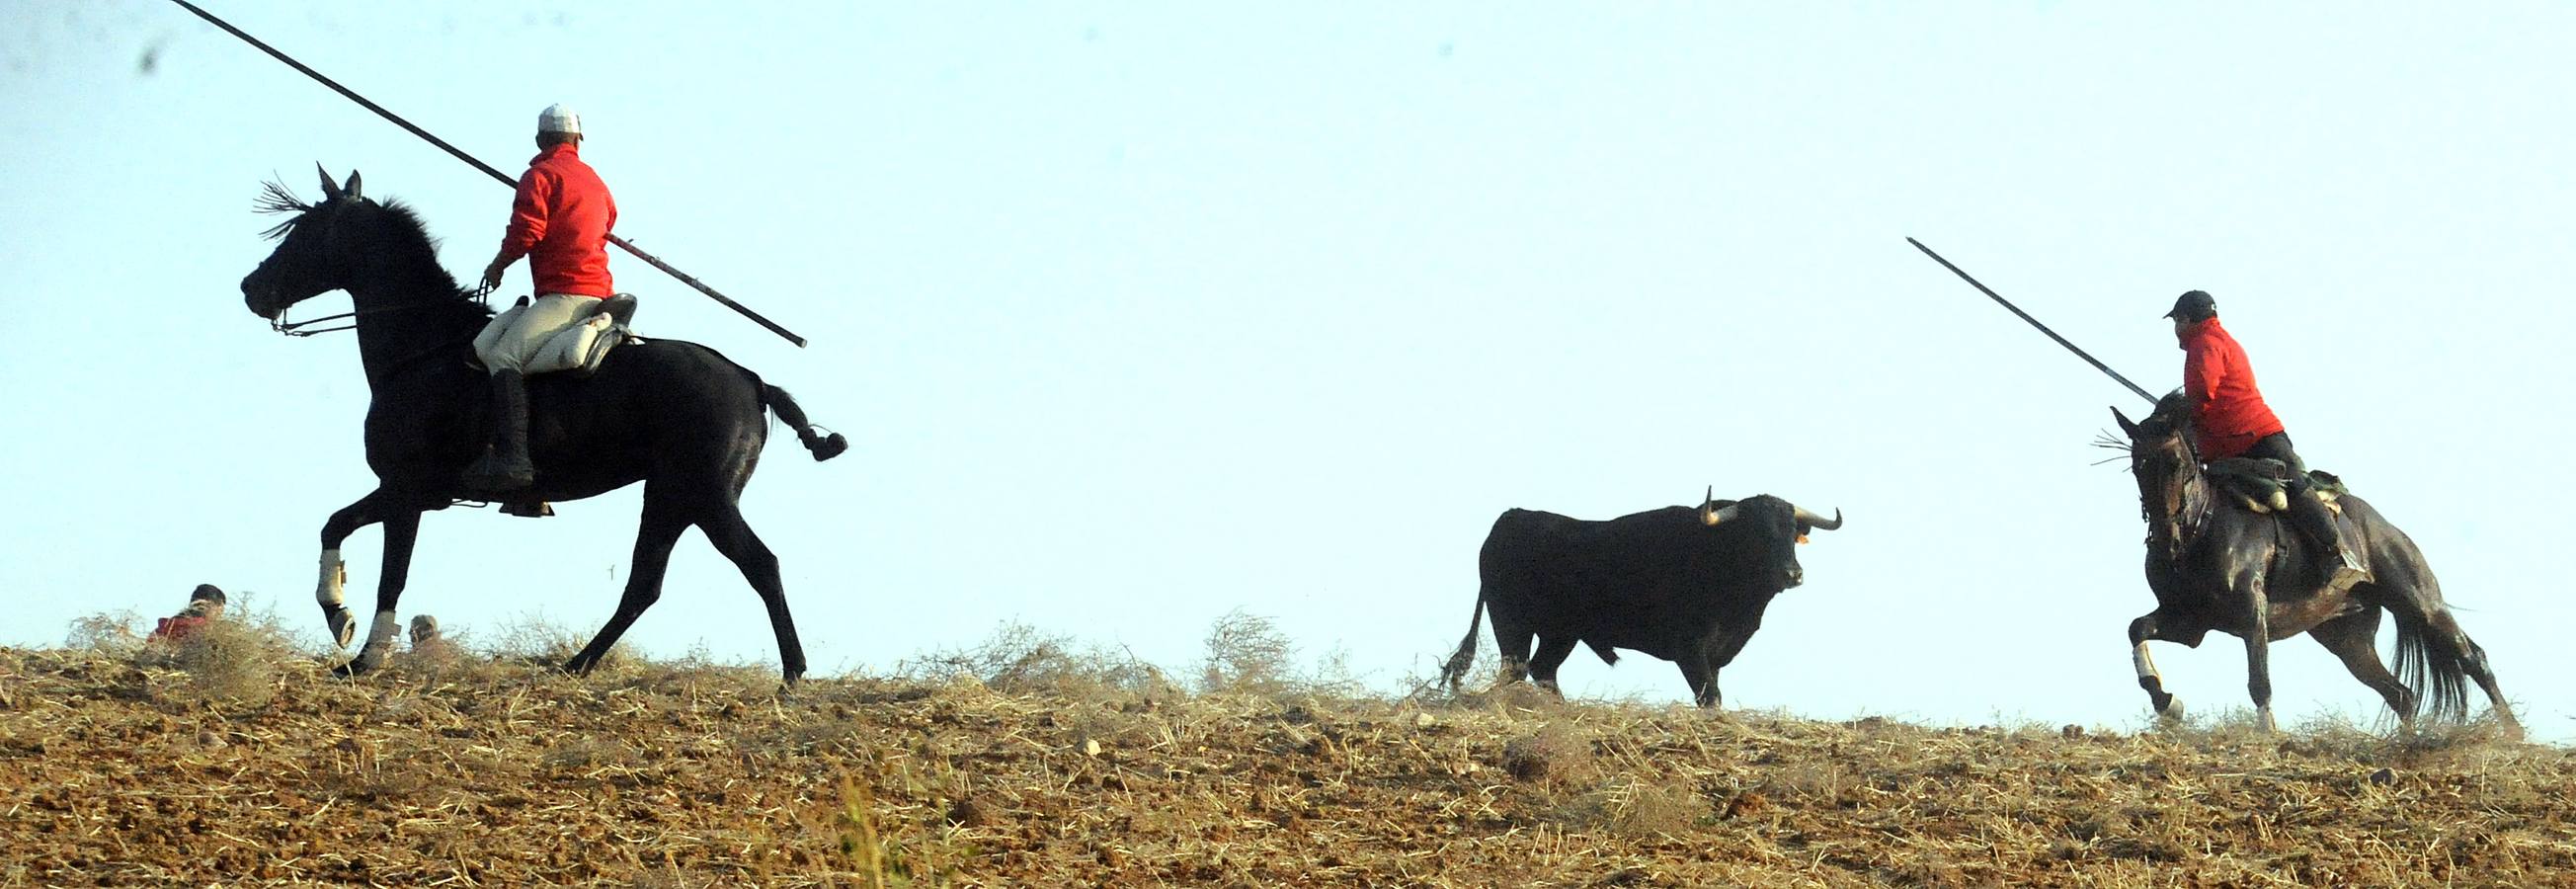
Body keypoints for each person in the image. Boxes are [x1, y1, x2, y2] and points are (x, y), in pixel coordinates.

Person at [2165, 289, 2369, 594]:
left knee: (2294, 483)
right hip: (2228, 447)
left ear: (2186, 319)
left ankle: (2337, 552)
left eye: (2176, 322)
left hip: (2256, 436)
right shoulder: (2213, 340)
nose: (2175, 330)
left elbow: (2202, 393)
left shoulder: (2205, 343)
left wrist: (2178, 414)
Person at [465, 103, 621, 494]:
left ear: (540, 140)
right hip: (601, 293)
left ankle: (515, 461)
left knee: (502, 356)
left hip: (565, 294)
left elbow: (527, 232)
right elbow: (609, 220)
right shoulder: (596, 182)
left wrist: (498, 266)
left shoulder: (539, 176)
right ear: (577, 140)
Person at [147, 584, 227, 643]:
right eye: (220, 611)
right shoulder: (207, 630)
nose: (219, 616)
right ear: (211, 605)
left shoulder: (161, 630)